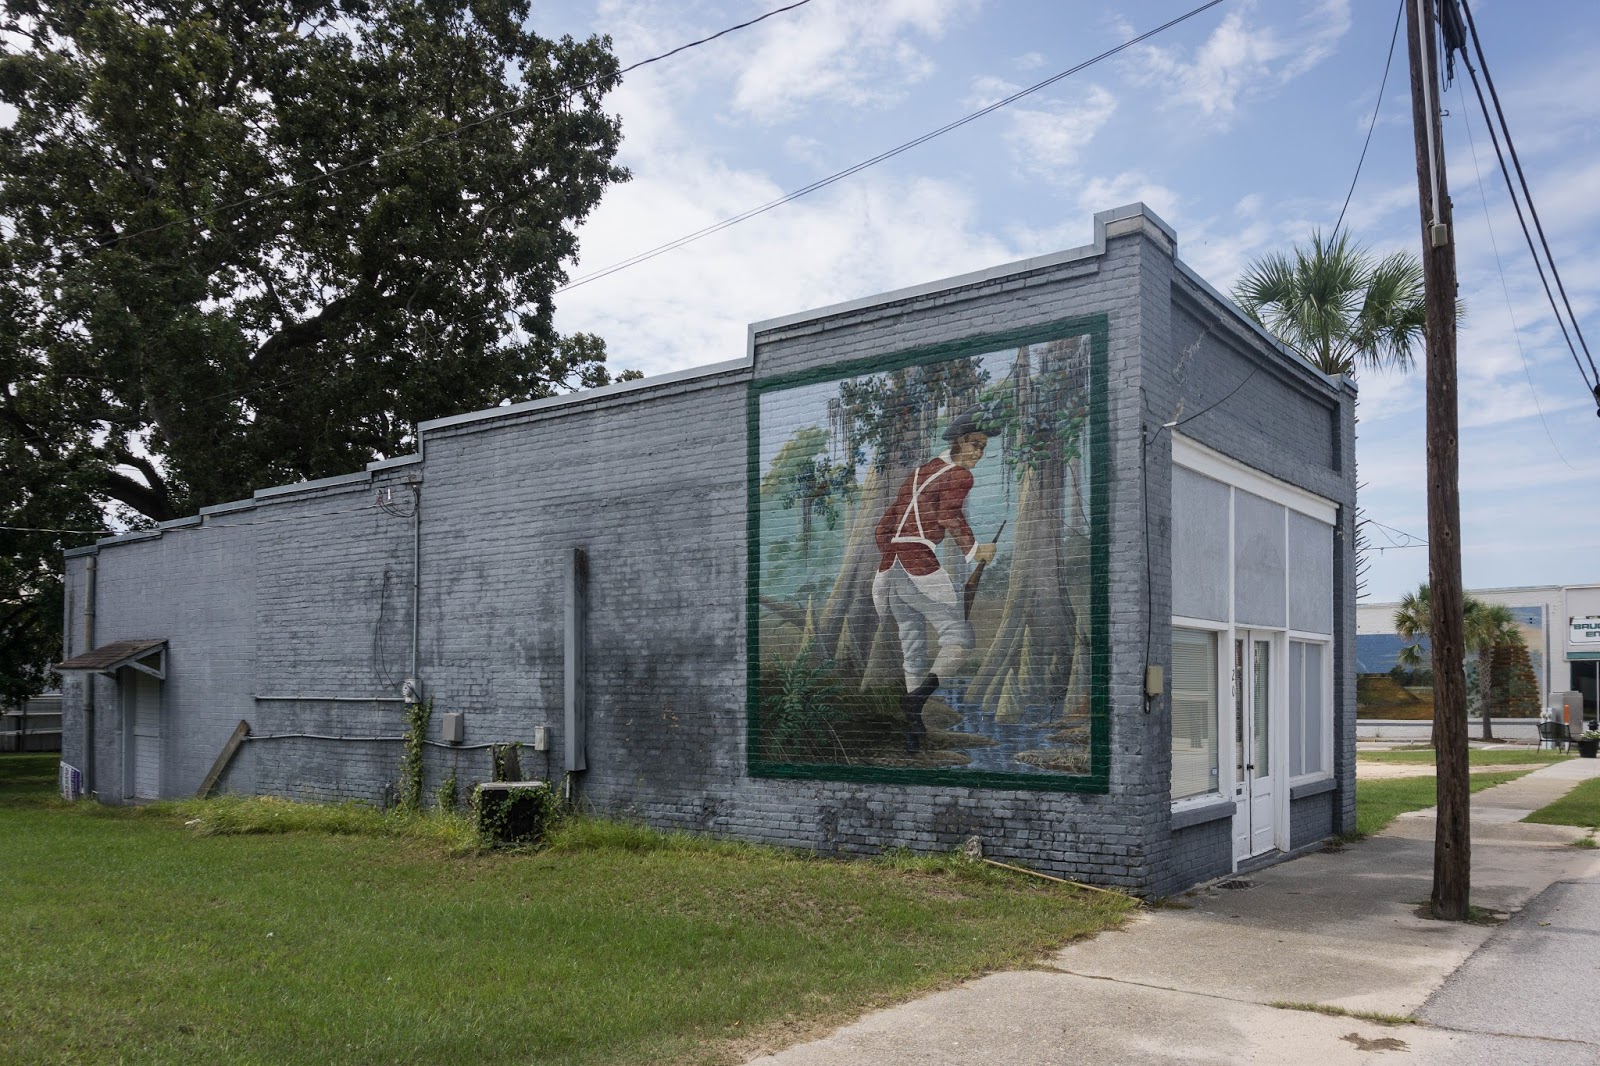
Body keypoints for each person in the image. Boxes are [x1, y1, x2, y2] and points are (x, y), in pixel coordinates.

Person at [872, 406, 996, 752]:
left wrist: (894, 550)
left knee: (913, 649)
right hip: (917, 566)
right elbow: (948, 516)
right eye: (974, 444)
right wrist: (975, 552)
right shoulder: (959, 476)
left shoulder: (918, 473)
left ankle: (915, 730)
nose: (978, 453)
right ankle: (917, 702)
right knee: (959, 637)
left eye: (983, 447)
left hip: (890, 568)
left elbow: (882, 528)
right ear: (958, 442)